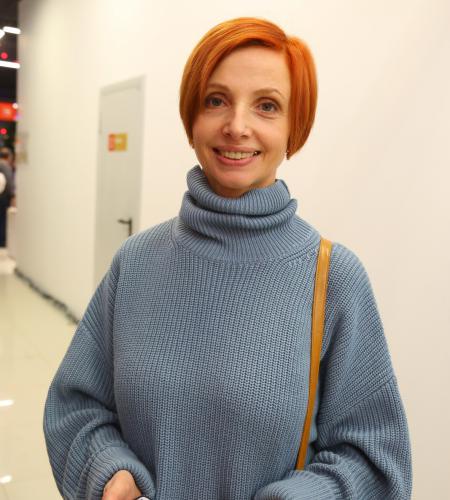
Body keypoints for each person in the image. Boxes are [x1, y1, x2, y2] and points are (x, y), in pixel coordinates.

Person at [44, 17, 412, 500]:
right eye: (215, 100)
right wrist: (111, 474)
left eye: (267, 106)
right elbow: (77, 407)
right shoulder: (135, 263)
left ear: (294, 127)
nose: (237, 126)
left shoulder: (333, 277)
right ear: (191, 119)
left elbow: (377, 461)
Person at [0, 149, 14, 247]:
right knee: (3, 221)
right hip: (3, 198)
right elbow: (9, 184)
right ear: (8, 157)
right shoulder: (6, 167)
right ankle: (2, 241)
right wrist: (12, 196)